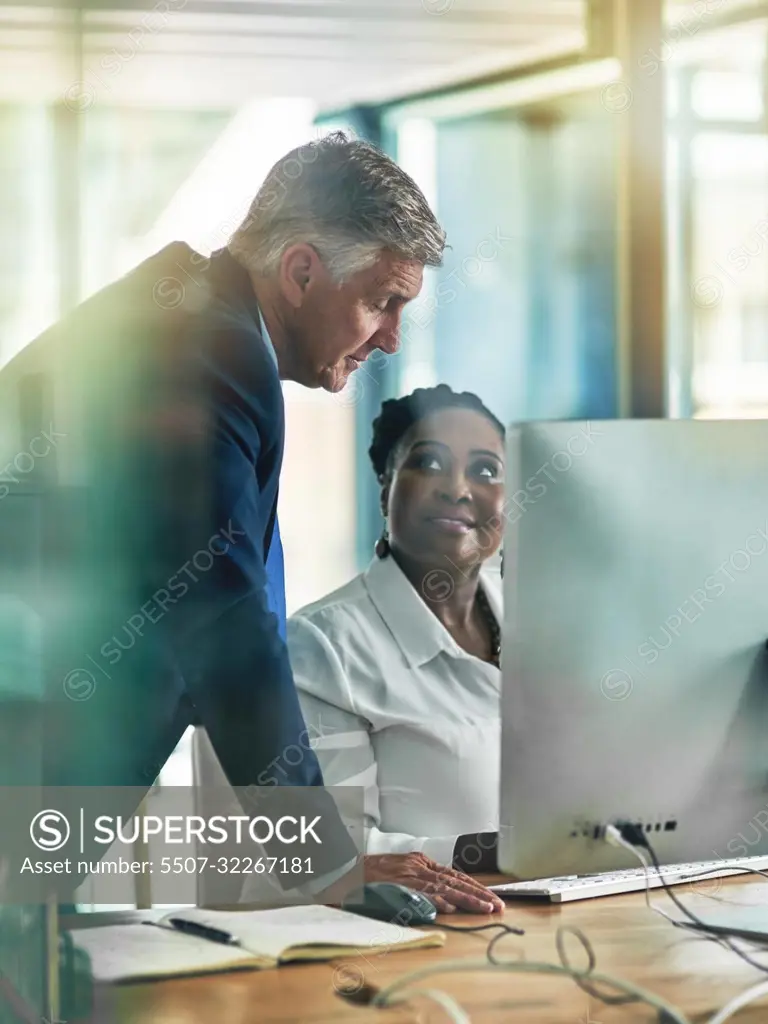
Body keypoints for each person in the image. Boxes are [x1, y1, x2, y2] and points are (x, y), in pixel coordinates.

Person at [0, 132, 503, 914]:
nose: (392, 338)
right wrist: (327, 869)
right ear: (301, 270)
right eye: (382, 301)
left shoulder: (191, 313)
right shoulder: (210, 351)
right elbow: (223, 621)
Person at [288, 385, 504, 874]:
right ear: (386, 489)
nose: (458, 488)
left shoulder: (540, 617)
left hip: (577, 911)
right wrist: (488, 851)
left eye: (485, 470)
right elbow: (333, 855)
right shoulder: (324, 645)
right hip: (421, 937)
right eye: (429, 463)